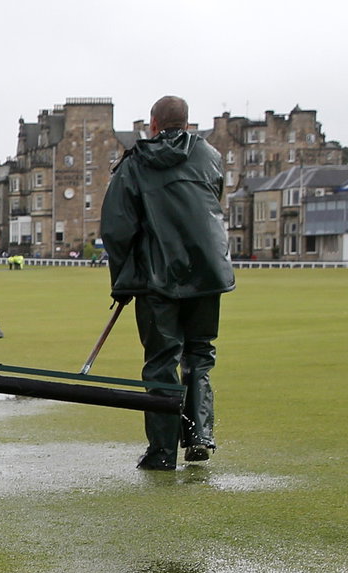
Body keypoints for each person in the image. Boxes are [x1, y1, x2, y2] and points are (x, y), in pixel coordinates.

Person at [102, 95, 236, 471]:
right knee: (199, 356)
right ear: (188, 124)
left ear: (153, 124)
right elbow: (213, 202)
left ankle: (162, 451)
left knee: (161, 363)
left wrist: (123, 282)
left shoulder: (135, 162)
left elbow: (117, 228)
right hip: (208, 272)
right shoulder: (210, 156)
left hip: (158, 280)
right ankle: (199, 436)